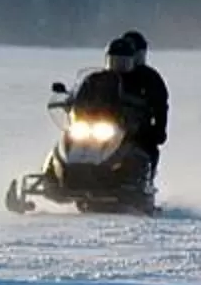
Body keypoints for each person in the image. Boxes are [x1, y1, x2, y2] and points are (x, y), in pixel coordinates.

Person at [68, 30, 170, 176]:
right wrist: (73, 107)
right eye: (115, 60)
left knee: (142, 148)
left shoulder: (149, 78)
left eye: (124, 60)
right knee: (69, 139)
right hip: (93, 124)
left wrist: (158, 129)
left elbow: (160, 106)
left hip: (129, 128)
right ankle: (55, 173)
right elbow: (81, 98)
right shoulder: (97, 79)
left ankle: (139, 179)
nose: (119, 65)